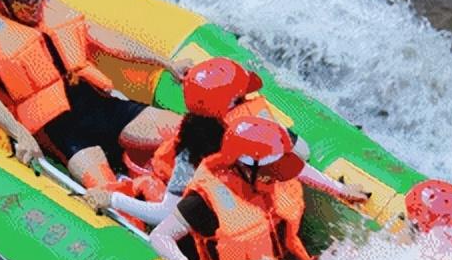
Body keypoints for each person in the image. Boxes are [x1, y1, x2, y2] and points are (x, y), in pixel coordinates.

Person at [0, 0, 187, 191]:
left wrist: (166, 62)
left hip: (104, 108)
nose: (38, 4)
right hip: (65, 133)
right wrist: (20, 134)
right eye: (29, 0)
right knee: (107, 194)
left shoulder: (53, 8)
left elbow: (108, 39)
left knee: (188, 134)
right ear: (3, 1)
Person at [83, 57, 370, 225]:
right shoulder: (190, 155)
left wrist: (338, 189)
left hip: (240, 209)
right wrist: (113, 199)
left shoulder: (244, 132)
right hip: (212, 217)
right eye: (239, 96)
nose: (246, 99)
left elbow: (290, 161)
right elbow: (166, 215)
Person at [149, 116, 316, 260]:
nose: (276, 174)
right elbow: (160, 235)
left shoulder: (273, 181)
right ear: (244, 166)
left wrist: (340, 189)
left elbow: (303, 166)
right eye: (270, 168)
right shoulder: (205, 200)